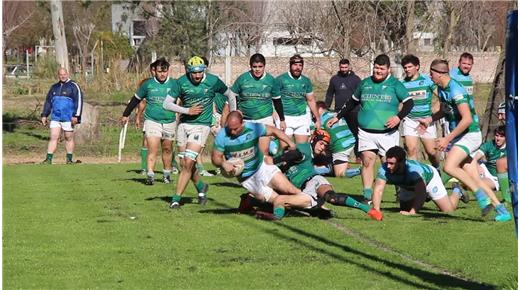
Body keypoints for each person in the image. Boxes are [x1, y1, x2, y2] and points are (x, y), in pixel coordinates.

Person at [417, 59, 511, 222]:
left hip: (471, 134)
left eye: (431, 73)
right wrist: (430, 119)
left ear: (439, 73)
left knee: (449, 166)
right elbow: (445, 111)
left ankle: (480, 196)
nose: (430, 76)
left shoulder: (455, 90)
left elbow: (467, 119)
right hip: (461, 136)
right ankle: (501, 210)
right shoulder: (441, 88)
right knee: (474, 178)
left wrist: (447, 139)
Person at [327, 54, 413, 203]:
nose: (378, 71)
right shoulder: (365, 83)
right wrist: (338, 116)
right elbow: (352, 102)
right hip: (366, 132)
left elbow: (409, 103)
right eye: (376, 68)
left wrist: (398, 117)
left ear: (388, 70)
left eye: (382, 68)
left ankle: (401, 190)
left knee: (391, 164)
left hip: (387, 134)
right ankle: (367, 195)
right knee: (367, 160)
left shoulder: (395, 84)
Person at [212, 111, 313, 220]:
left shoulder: (253, 128)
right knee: (277, 200)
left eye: (235, 128)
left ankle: (319, 207)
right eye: (230, 128)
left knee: (291, 190)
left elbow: (274, 131)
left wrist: (291, 143)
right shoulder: (222, 135)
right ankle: (250, 200)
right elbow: (215, 158)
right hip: (247, 178)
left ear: (242, 123)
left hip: (263, 167)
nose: (232, 132)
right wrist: (223, 163)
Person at [164, 56, 233, 208]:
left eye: (200, 72)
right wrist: (186, 110)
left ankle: (176, 199)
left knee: (188, 162)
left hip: (202, 126)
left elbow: (231, 95)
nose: (197, 76)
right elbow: (166, 104)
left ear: (204, 70)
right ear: (188, 71)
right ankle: (201, 187)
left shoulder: (213, 81)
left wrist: (233, 113)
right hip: (183, 125)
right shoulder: (181, 82)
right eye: (194, 73)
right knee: (186, 164)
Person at [271, 129, 377, 219]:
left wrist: (277, 161)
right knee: (279, 200)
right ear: (313, 140)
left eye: (325, 146)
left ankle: (366, 209)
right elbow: (293, 154)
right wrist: (277, 161)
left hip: (314, 181)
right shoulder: (304, 148)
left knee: (332, 198)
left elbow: (295, 154)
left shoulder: (306, 150)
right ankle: (279, 217)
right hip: (303, 192)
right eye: (321, 143)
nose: (322, 148)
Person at [369, 146, 469, 220]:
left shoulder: (414, 171)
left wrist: (413, 212)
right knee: (404, 209)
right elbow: (378, 190)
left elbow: (421, 193)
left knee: (448, 210)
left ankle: (457, 191)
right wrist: (376, 210)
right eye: (387, 162)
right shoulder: (384, 169)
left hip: (429, 180)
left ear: (402, 162)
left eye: (392, 163)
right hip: (407, 186)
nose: (388, 166)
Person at [121, 58, 177, 185]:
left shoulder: (174, 84)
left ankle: (166, 173)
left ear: (168, 70)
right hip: (153, 121)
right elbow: (135, 99)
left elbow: (184, 98)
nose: (162, 74)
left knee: (167, 148)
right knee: (153, 148)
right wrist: (126, 114)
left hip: (169, 121)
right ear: (154, 71)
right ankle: (150, 174)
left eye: (165, 71)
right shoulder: (148, 84)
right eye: (159, 71)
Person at [228, 53, 285, 155]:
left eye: (260, 66)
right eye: (254, 67)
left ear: (264, 66)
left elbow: (277, 101)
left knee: (263, 152)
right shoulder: (243, 78)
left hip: (264, 119)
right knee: (246, 153)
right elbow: (232, 95)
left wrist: (282, 120)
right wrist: (235, 112)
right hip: (246, 120)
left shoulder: (271, 80)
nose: (257, 69)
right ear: (250, 66)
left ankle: (265, 168)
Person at [400, 54, 439, 169]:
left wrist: (435, 107)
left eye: (409, 67)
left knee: (431, 152)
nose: (407, 69)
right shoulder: (403, 84)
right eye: (405, 67)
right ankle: (415, 176)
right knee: (411, 150)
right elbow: (400, 103)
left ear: (417, 67)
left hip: (426, 120)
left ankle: (436, 168)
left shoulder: (427, 81)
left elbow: (441, 97)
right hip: (410, 120)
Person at [41, 67, 83, 164]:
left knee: (68, 137)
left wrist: (76, 116)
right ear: (58, 75)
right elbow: (48, 102)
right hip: (56, 117)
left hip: (68, 117)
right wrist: (44, 115)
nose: (62, 76)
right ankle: (48, 159)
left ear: (67, 74)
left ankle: (69, 159)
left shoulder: (74, 86)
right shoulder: (54, 87)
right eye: (61, 74)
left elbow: (79, 101)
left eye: (64, 74)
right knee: (53, 137)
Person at [276, 54, 320, 144]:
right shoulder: (280, 79)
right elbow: (274, 99)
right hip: (285, 117)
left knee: (302, 149)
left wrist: (318, 119)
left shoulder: (306, 81)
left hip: (302, 118)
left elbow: (311, 100)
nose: (298, 67)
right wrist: (278, 117)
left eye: (300, 65)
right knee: (285, 149)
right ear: (290, 65)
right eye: (295, 65)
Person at [324, 58, 361, 156]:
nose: (344, 69)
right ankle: (338, 154)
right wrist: (326, 107)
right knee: (338, 133)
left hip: (354, 111)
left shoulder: (356, 79)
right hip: (338, 112)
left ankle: (357, 155)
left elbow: (360, 94)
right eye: (342, 67)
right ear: (339, 67)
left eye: (345, 67)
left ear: (349, 67)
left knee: (356, 133)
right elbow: (329, 94)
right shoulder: (334, 79)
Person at [316, 101, 360, 178]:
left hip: (341, 146)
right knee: (324, 148)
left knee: (339, 174)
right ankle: (331, 165)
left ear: (319, 109)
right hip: (351, 141)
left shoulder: (320, 120)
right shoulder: (336, 114)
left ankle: (360, 170)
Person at [473, 126, 510, 203]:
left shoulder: (511, 147)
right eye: (496, 135)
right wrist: (477, 165)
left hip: (500, 177)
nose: (498, 138)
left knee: (475, 184)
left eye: (501, 136)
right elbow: (475, 158)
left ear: (507, 137)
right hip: (488, 173)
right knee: (461, 160)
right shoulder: (489, 145)